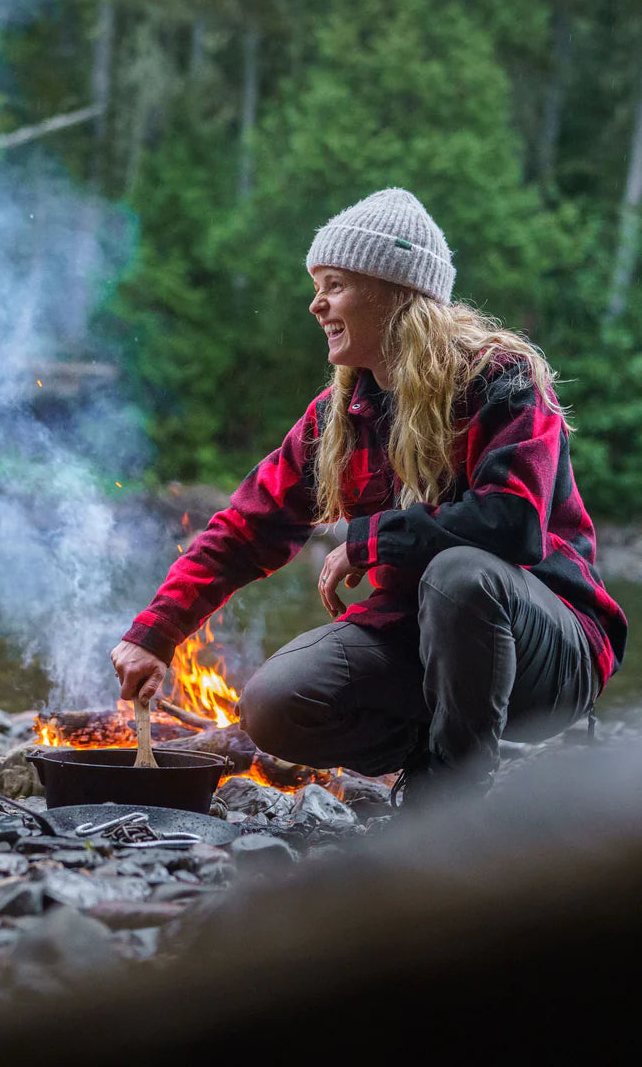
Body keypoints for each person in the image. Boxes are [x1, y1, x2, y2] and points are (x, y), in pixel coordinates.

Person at [111, 187, 627, 804]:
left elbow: (511, 522)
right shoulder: (337, 416)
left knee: (460, 575)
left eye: (334, 284)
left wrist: (370, 540)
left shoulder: (501, 380)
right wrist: (155, 634)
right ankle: (434, 754)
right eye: (316, 285)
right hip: (420, 642)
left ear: (394, 291)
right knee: (274, 704)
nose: (315, 304)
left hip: (551, 647)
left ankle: (452, 799)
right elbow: (245, 528)